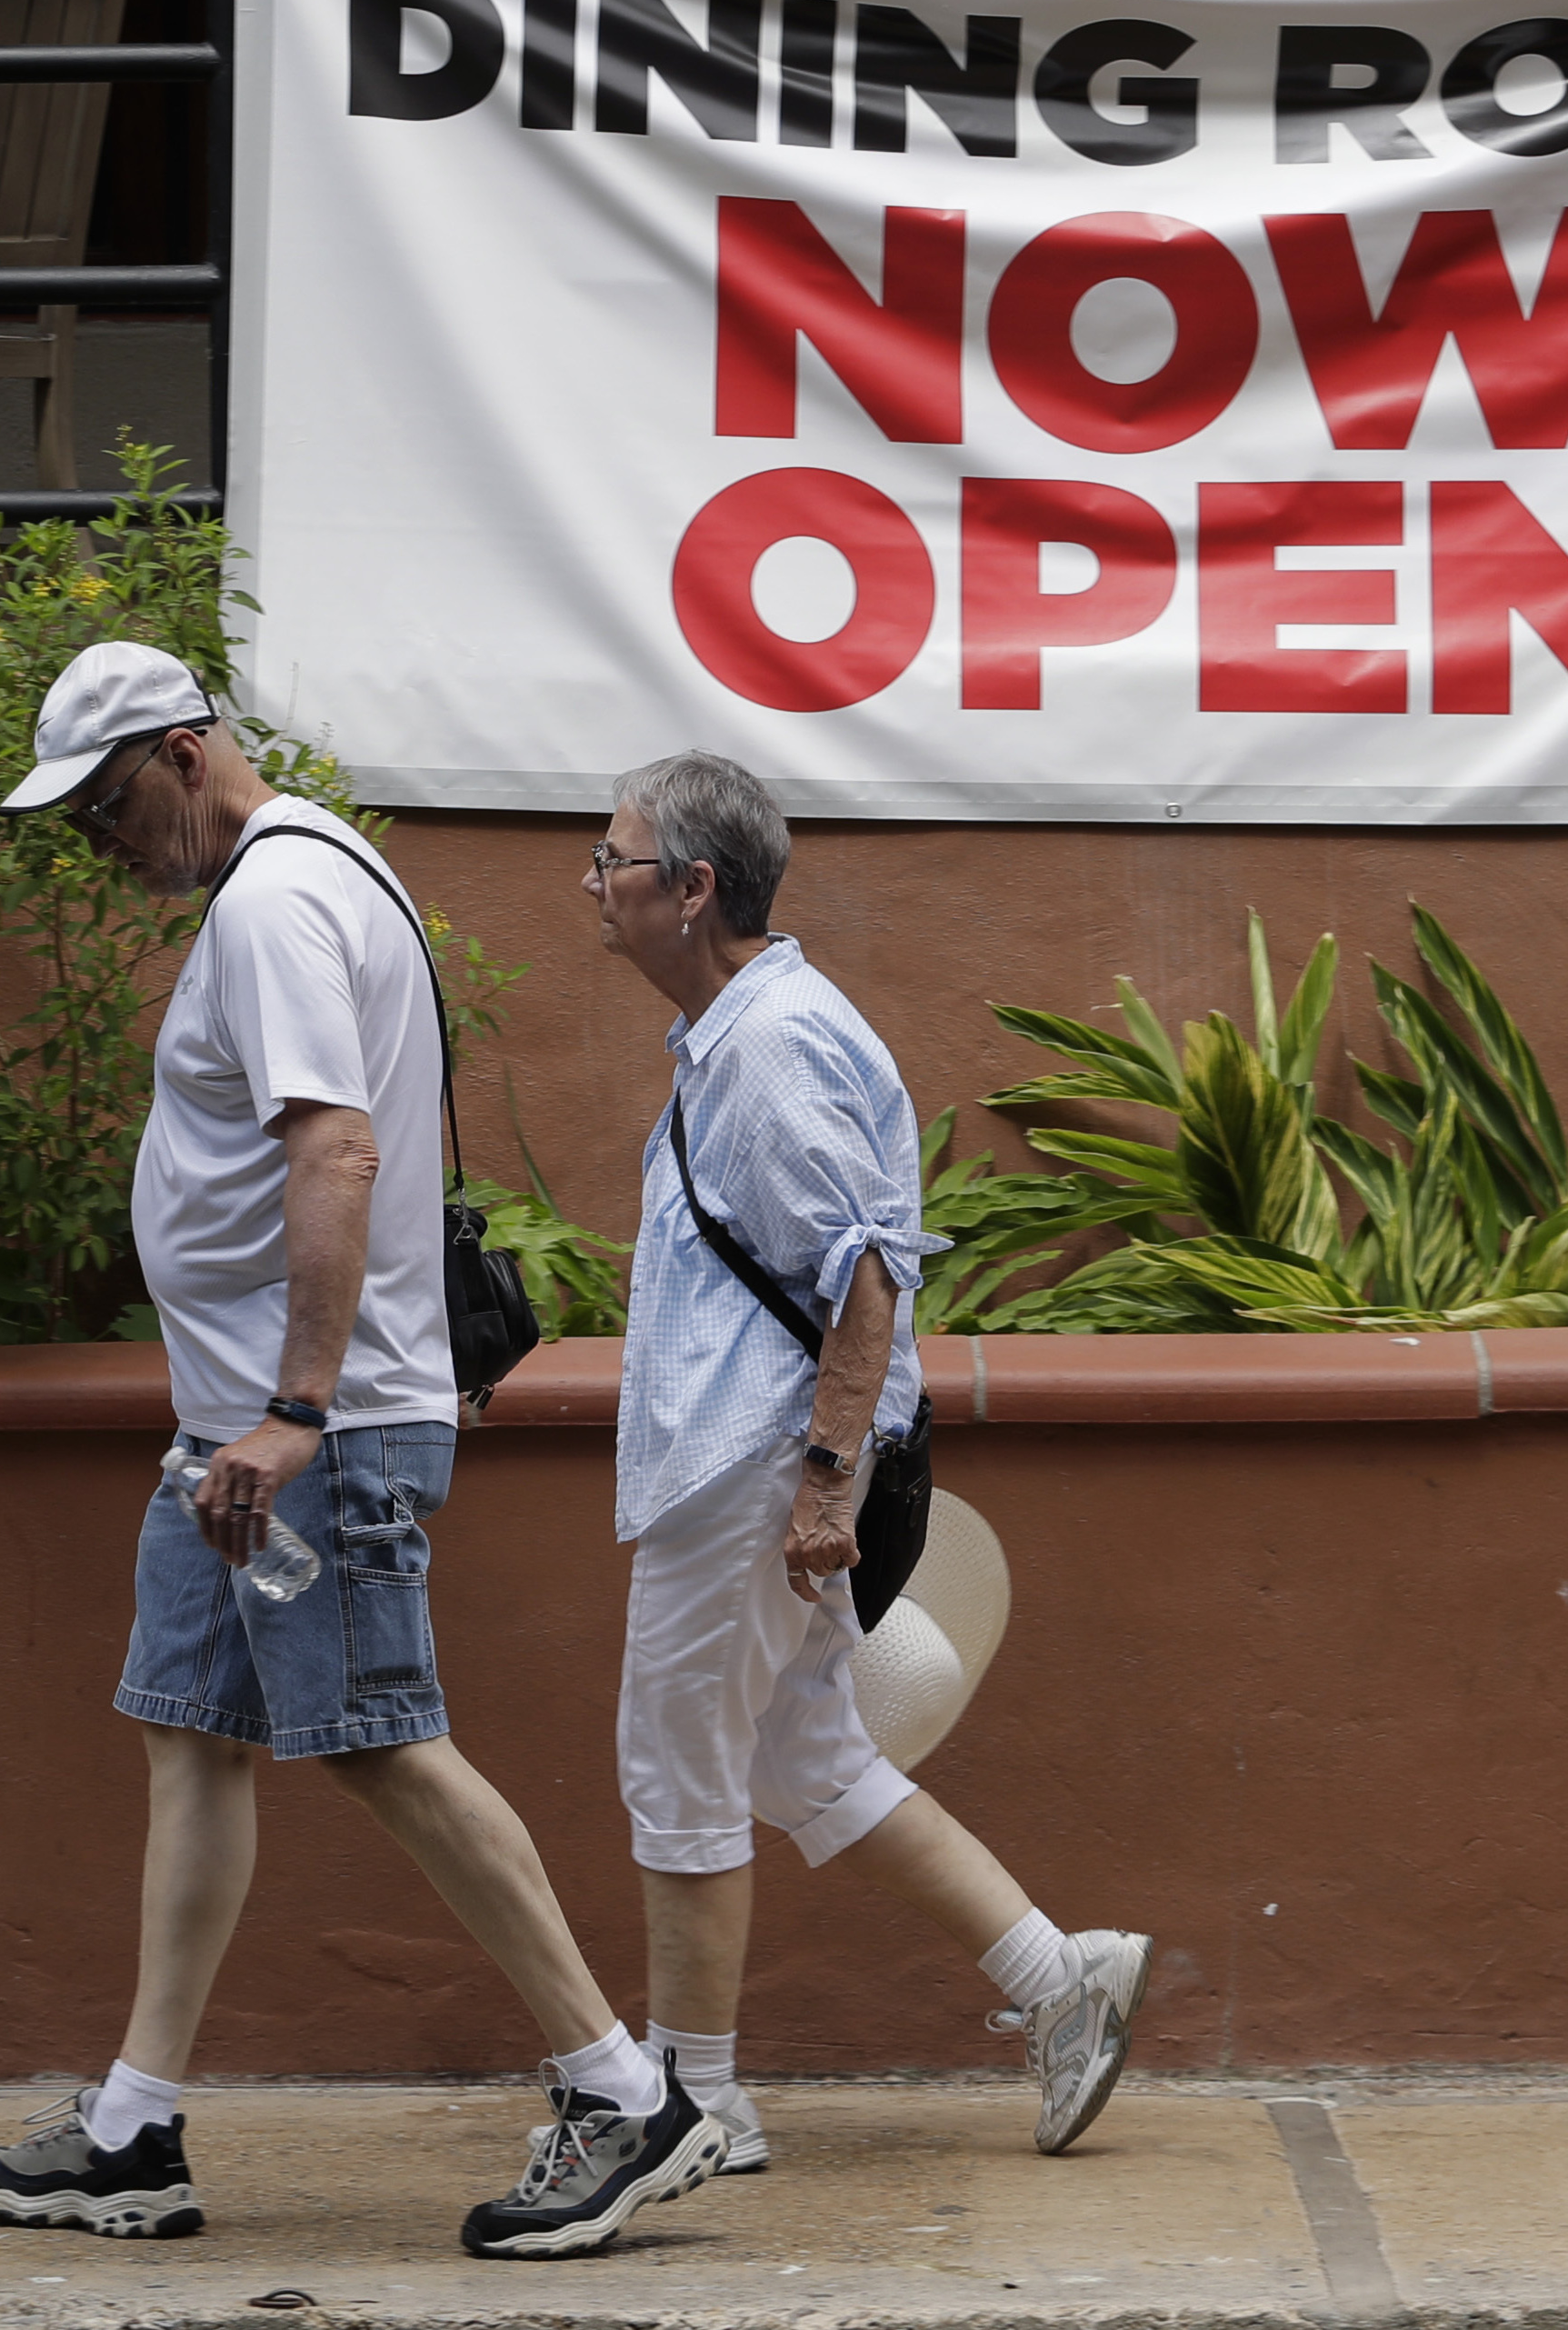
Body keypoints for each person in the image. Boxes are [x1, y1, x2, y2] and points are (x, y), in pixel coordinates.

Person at [0, 641, 724, 2259]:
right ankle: (130, 2132)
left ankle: (624, 2097)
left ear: (179, 755)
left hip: (304, 1433)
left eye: (101, 805)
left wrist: (297, 1412)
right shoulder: (308, 862)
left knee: (379, 1737)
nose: (94, 842)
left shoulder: (273, 903)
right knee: (191, 1735)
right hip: (231, 1434)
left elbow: (339, 1147)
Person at [590, 749, 1153, 2167]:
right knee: (807, 1759)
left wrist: (825, 1479)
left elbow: (864, 1277)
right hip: (767, 1461)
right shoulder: (742, 1030)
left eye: (614, 860)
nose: (594, 885)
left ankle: (696, 2100)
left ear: (692, 886)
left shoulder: (769, 1046)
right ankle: (1058, 1980)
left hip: (754, 1467)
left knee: (680, 1768)